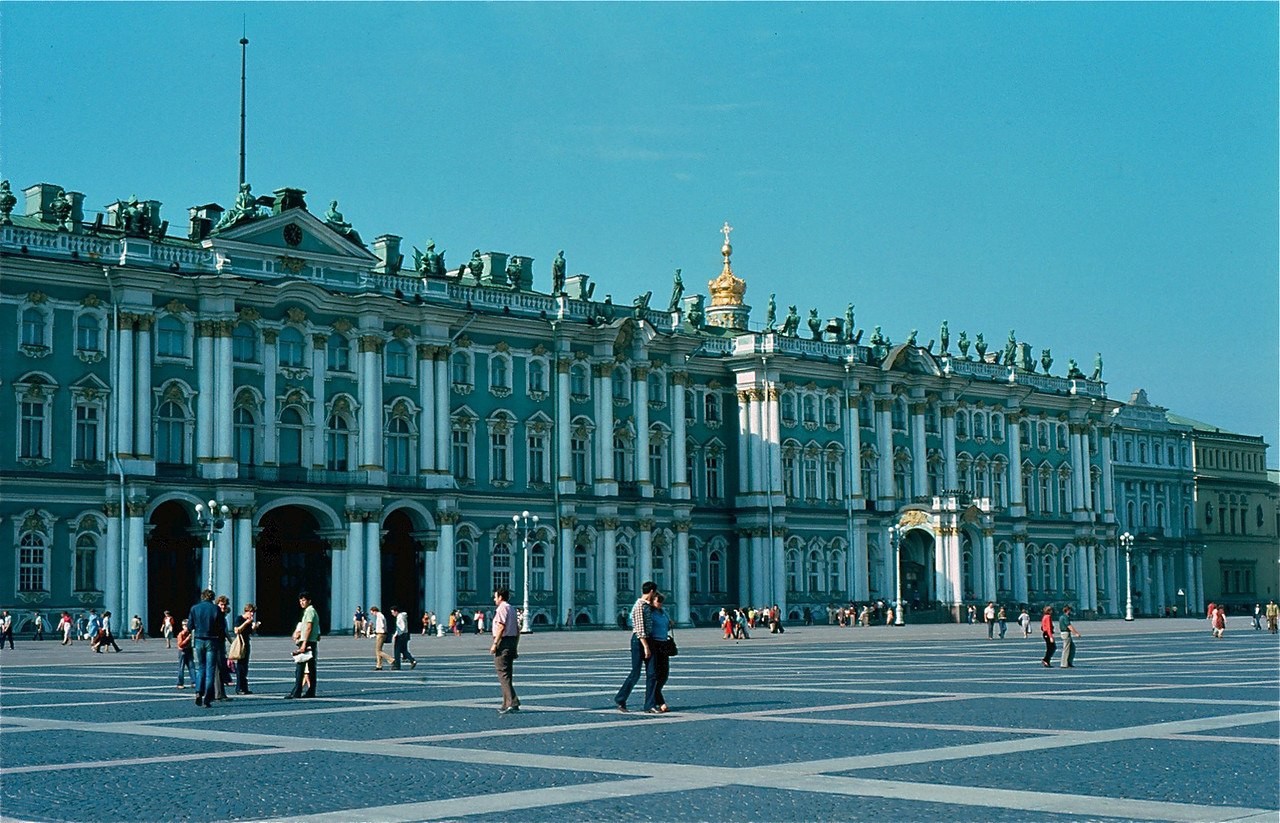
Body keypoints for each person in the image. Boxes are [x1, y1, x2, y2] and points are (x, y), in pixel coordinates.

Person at [614, 581, 658, 712]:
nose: (655, 594)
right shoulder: (639, 606)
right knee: (635, 673)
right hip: (640, 641)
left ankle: (650, 705)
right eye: (654, 592)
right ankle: (620, 699)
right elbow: (639, 629)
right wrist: (646, 646)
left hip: (649, 640)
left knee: (652, 674)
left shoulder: (647, 606)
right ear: (651, 591)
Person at [187, 590, 224, 708]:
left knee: (201, 667)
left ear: (202, 597)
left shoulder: (194, 608)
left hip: (198, 639)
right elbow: (221, 626)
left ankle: (198, 692)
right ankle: (208, 696)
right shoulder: (215, 609)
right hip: (212, 640)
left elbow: (189, 626)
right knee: (210, 669)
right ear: (212, 597)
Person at [491, 586, 521, 714]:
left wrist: (495, 643)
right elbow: (518, 630)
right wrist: (515, 646)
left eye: (495, 596)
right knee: (507, 674)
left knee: (502, 674)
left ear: (500, 597)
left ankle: (512, 702)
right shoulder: (512, 609)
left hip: (503, 642)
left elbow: (501, 627)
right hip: (512, 641)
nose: (494, 599)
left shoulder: (502, 609)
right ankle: (506, 703)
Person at [285, 591, 319, 699]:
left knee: (300, 668)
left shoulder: (309, 612)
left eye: (304, 600)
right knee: (311, 668)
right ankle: (310, 691)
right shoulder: (310, 611)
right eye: (300, 600)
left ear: (309, 601)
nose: (301, 602)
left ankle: (297, 691)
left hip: (307, 642)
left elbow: (308, 627)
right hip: (311, 642)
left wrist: (304, 643)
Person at [649, 594, 673, 713]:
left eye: (661, 602)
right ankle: (660, 702)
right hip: (655, 644)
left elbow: (666, 627)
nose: (660, 604)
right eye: (658, 602)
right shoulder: (650, 613)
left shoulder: (663, 613)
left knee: (664, 675)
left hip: (664, 644)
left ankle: (656, 699)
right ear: (652, 601)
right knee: (656, 675)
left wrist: (669, 624)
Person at [233, 603, 258, 695]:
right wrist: (246, 623)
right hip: (240, 643)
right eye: (250, 612)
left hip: (246, 643)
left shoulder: (249, 621)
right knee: (240, 666)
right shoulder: (239, 619)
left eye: (253, 612)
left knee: (245, 666)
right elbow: (237, 630)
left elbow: (250, 632)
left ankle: (244, 687)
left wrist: (254, 628)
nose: (252, 614)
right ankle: (239, 688)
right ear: (246, 611)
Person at [370, 606, 395, 670]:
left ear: (375, 611)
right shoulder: (381, 615)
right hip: (382, 634)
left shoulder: (379, 616)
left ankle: (391, 659)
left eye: (372, 613)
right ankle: (379, 665)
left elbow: (382, 625)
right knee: (378, 650)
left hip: (380, 634)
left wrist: (377, 632)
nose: (372, 614)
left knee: (378, 651)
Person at [176, 619, 195, 689]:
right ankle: (180, 683)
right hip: (183, 651)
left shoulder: (190, 633)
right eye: (185, 625)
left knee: (192, 667)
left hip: (189, 650)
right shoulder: (181, 634)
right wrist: (187, 639)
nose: (187, 627)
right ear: (183, 626)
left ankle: (194, 682)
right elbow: (180, 644)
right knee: (181, 667)